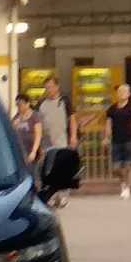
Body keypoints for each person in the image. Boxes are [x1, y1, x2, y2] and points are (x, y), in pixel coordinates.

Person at [35, 76, 75, 207]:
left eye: (51, 87)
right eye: (46, 87)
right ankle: (52, 195)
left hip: (62, 140)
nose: (49, 90)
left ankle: (63, 196)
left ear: (57, 87)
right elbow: (37, 121)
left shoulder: (65, 101)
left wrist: (73, 136)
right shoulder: (41, 103)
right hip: (46, 142)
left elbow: (72, 119)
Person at [106, 84, 131, 199]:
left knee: (129, 165)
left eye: (124, 92)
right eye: (120, 92)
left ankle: (127, 188)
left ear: (129, 94)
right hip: (116, 140)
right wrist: (106, 137)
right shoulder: (112, 109)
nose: (121, 94)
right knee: (116, 167)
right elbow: (108, 124)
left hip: (129, 139)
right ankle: (123, 182)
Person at [10, 92, 39, 165]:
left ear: (27, 104)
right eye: (17, 105)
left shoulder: (35, 116)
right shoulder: (16, 117)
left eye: (21, 104)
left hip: (30, 150)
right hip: (20, 151)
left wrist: (34, 151)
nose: (19, 107)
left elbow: (38, 135)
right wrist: (14, 125)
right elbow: (10, 132)